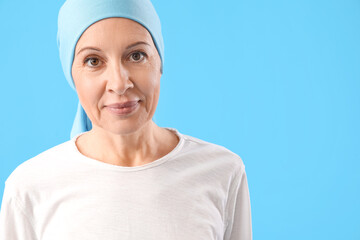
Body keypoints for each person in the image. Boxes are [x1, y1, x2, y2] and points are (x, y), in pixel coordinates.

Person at [0, 0, 252, 239]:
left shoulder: (222, 171)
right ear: (72, 76)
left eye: (136, 55)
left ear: (159, 61)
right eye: (93, 61)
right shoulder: (29, 188)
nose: (120, 84)